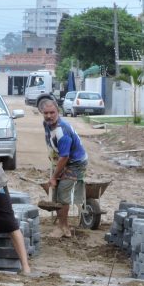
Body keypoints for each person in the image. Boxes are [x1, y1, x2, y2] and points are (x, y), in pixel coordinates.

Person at [39, 97, 88, 239]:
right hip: (63, 160)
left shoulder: (62, 132)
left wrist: (54, 177)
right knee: (58, 190)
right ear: (42, 113)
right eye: (46, 113)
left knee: (62, 190)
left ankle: (63, 227)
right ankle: (63, 226)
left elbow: (65, 157)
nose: (49, 116)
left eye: (52, 112)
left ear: (58, 112)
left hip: (76, 163)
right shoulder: (46, 124)